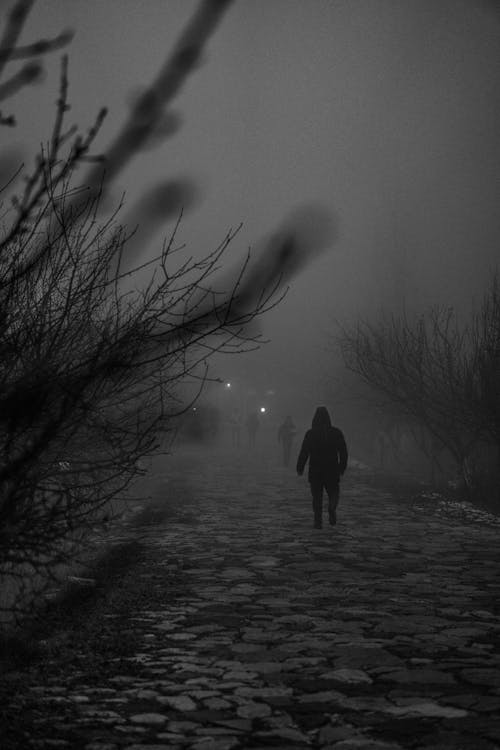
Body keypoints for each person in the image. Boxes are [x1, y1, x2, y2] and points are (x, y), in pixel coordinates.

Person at [296, 406, 348, 529]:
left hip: (316, 470)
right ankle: (332, 506)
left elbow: (304, 451)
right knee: (334, 491)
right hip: (332, 469)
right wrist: (342, 466)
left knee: (317, 497)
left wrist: (300, 466)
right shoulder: (336, 432)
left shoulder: (311, 433)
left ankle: (318, 520)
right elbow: (343, 451)